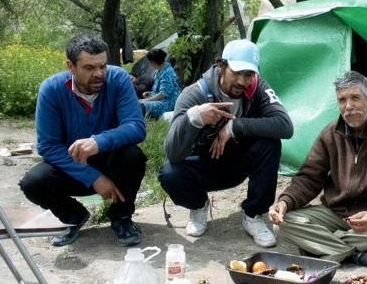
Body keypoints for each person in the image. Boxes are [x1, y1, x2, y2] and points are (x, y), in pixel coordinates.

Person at [268, 71, 367, 271]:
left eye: (355, 98)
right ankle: (357, 255)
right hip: (333, 213)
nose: (349, 106)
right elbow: (309, 178)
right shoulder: (329, 134)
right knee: (282, 223)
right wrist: (284, 201)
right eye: (342, 100)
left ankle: (324, 246)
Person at [160, 39, 293, 247]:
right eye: (236, 73)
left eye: (248, 74)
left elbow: (285, 126)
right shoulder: (194, 94)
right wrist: (195, 118)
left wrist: (235, 126)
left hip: (238, 163)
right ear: (221, 67)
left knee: (271, 144)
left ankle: (253, 215)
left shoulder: (258, 89)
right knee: (169, 172)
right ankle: (199, 206)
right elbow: (172, 152)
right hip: (203, 166)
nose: (242, 81)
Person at [19, 35, 147, 247]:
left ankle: (121, 217)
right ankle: (73, 216)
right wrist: (93, 177)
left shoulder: (118, 79)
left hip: (111, 163)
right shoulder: (51, 90)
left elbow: (136, 126)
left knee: (133, 156)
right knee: (34, 182)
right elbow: (48, 146)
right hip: (73, 168)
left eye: (102, 66)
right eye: (89, 68)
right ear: (70, 66)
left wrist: (98, 141)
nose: (98, 74)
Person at [139, 48, 179, 118]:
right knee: (135, 102)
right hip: (160, 100)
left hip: (167, 103)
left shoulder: (167, 72)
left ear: (153, 62)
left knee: (140, 106)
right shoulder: (160, 70)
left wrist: (147, 100)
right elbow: (159, 91)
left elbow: (163, 94)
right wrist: (150, 93)